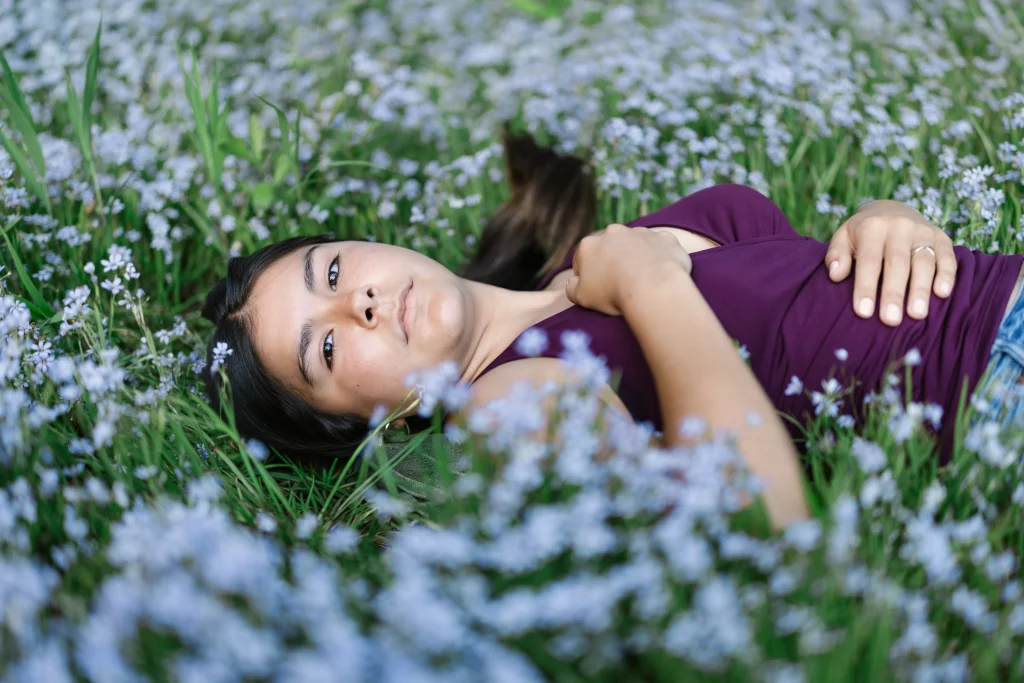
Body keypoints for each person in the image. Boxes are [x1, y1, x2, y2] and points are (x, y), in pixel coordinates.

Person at [201, 125, 1024, 528]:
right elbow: (762, 510)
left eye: (336, 272)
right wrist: (649, 285)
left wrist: (886, 219)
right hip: (995, 392)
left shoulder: (601, 254)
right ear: (365, 422)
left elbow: (806, 282)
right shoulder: (505, 408)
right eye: (330, 346)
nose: (361, 304)